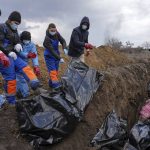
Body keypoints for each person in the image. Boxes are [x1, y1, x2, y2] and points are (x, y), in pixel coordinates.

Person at [0, 11, 40, 104]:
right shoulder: (2, 27)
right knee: (11, 78)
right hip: (4, 55)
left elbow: (17, 40)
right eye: (15, 23)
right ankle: (11, 101)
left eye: (18, 24)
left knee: (25, 67)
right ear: (10, 20)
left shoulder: (15, 30)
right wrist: (8, 52)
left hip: (13, 55)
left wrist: (18, 44)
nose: (16, 25)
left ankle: (35, 84)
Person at [16, 31, 41, 98]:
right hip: (17, 63)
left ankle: (33, 88)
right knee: (20, 79)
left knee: (30, 76)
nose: (26, 41)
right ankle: (23, 94)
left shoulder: (31, 44)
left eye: (28, 40)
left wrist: (36, 66)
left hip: (25, 64)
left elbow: (34, 55)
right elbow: (18, 52)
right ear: (21, 39)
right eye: (25, 40)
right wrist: (27, 55)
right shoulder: (18, 44)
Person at [43, 23, 67, 90]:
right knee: (53, 71)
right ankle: (56, 86)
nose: (53, 32)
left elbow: (63, 41)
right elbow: (51, 50)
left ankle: (51, 84)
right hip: (49, 56)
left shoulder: (57, 34)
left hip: (56, 54)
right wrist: (60, 58)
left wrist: (64, 47)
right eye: (52, 30)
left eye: (54, 30)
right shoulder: (47, 38)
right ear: (49, 29)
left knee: (55, 71)